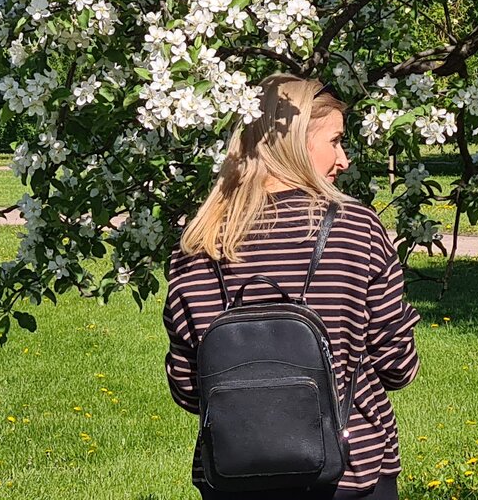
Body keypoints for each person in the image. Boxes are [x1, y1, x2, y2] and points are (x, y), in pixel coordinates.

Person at [163, 74, 421, 500]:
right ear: (297, 141)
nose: (344, 159)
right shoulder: (356, 230)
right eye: (336, 141)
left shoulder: (199, 244)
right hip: (352, 472)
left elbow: (189, 390)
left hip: (237, 473)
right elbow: (397, 366)